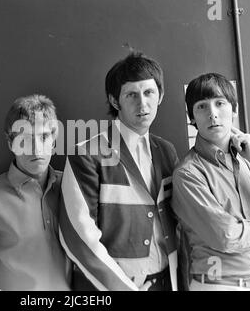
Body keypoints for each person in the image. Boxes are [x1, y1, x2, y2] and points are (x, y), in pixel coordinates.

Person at [59, 52, 180, 291]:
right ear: (115, 101)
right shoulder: (87, 153)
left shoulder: (166, 151)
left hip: (169, 283)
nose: (142, 103)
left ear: (161, 96)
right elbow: (77, 235)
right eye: (131, 95)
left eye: (149, 93)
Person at [172, 73, 250, 291]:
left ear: (234, 110)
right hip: (218, 285)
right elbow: (226, 237)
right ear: (192, 119)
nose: (212, 114)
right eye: (201, 107)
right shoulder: (188, 173)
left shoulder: (248, 162)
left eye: (220, 103)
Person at [0, 94, 71, 290]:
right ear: (10, 143)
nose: (37, 148)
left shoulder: (72, 188)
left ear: (54, 141)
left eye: (44, 137)